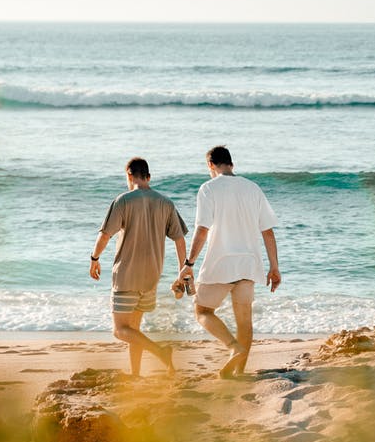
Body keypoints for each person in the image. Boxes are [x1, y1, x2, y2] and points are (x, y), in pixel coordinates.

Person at [180, 146, 280, 378]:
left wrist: (189, 263)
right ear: (231, 164)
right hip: (249, 264)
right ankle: (237, 372)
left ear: (210, 166)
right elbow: (268, 232)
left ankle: (233, 348)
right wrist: (274, 267)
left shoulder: (208, 188)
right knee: (244, 322)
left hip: (221, 263)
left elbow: (202, 230)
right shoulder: (253, 188)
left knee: (202, 311)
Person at [90, 157, 188, 375]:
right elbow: (180, 240)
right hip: (151, 276)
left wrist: (94, 258)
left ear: (129, 175)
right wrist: (182, 272)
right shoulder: (166, 202)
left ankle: (161, 352)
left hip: (127, 275)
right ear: (148, 177)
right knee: (134, 329)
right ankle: (135, 374)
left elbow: (105, 236)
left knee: (120, 330)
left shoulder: (123, 200)